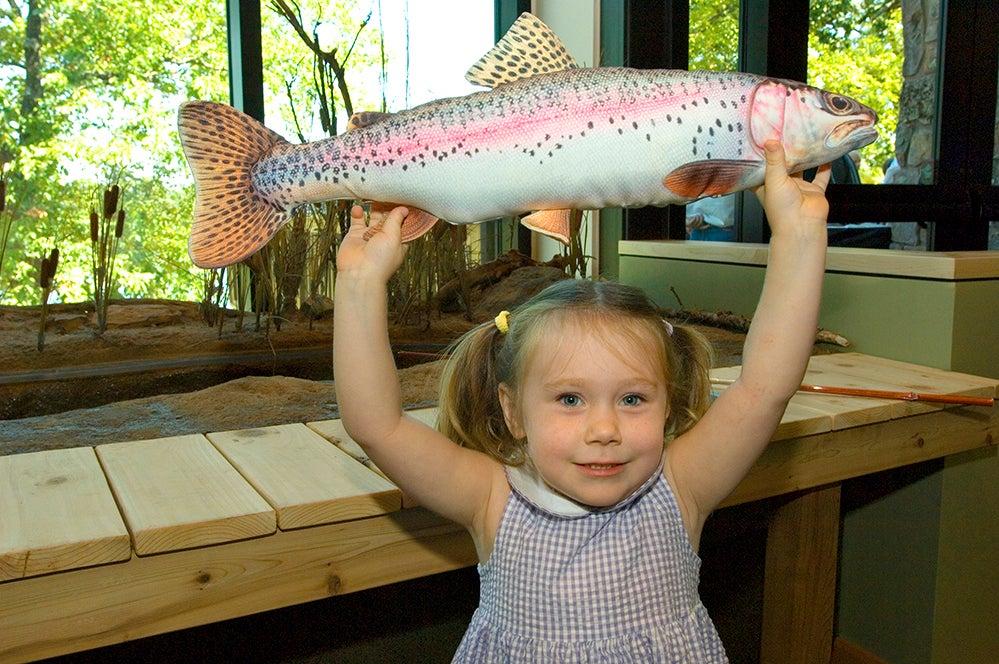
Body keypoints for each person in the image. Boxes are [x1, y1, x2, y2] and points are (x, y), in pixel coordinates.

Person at [333, 141, 831, 662]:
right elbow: (377, 426)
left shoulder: (682, 487)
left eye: (633, 398)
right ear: (512, 411)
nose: (604, 429)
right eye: (570, 398)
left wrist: (800, 236)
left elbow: (765, 386)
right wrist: (361, 281)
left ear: (667, 404)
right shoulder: (490, 499)